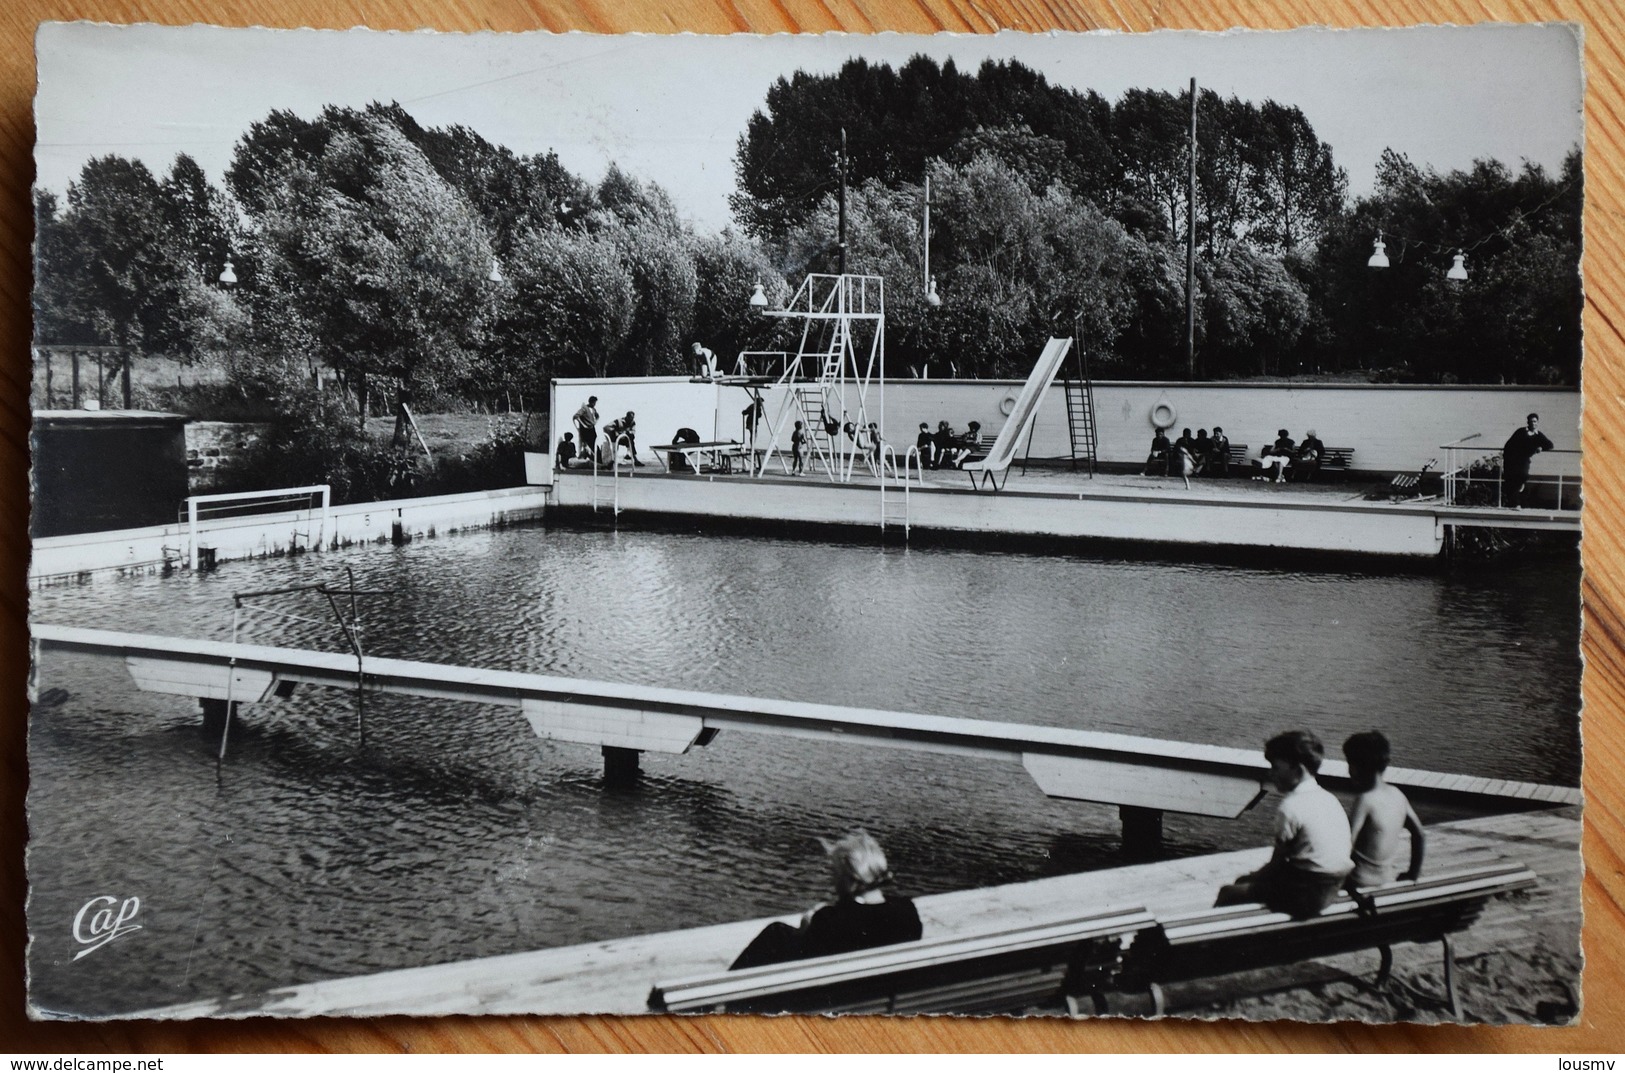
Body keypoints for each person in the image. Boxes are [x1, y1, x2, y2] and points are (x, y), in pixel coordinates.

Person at [730, 830, 922, 970]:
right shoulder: (907, 912)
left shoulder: (831, 921)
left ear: (849, 879)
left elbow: (807, 960)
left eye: (835, 873)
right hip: (876, 999)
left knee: (776, 932)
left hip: (821, 1006)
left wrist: (806, 928)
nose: (832, 880)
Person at [1214, 730, 1353, 918]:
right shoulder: (1329, 799)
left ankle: (1214, 944)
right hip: (1333, 886)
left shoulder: (1291, 806)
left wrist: (1251, 878)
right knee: (1248, 883)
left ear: (1298, 769)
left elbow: (1276, 865)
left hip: (1306, 895)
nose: (1271, 774)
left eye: (1276, 767)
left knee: (1229, 893)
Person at [1343, 731, 1426, 889]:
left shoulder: (1364, 800)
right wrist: (1412, 874)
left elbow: (1346, 846)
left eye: (1349, 764)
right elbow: (1419, 834)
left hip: (1359, 882)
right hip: (1386, 880)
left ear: (1355, 767)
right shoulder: (1397, 794)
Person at [1503, 412, 1555, 509]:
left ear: (1537, 423)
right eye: (1531, 422)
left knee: (1522, 478)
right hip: (1513, 459)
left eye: (1535, 422)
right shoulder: (1521, 432)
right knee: (1514, 480)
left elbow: (1550, 445)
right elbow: (1509, 444)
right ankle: (1516, 504)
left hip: (1524, 461)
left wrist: (1541, 448)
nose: (1533, 424)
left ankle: (1518, 503)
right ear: (1528, 422)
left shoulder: (1538, 435)